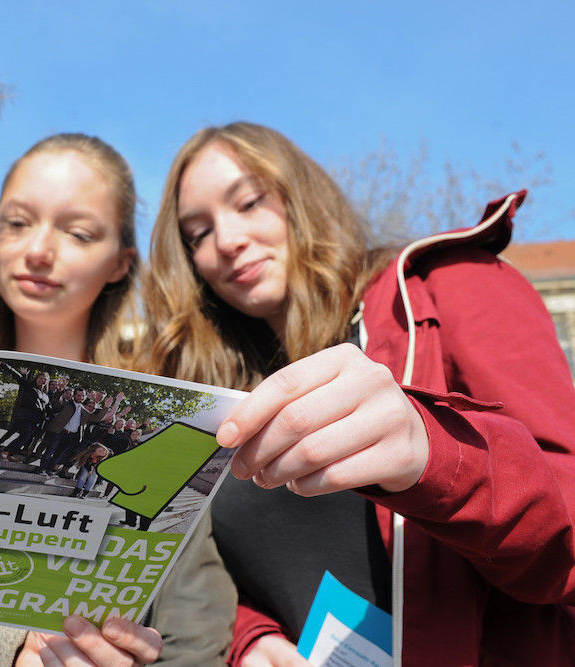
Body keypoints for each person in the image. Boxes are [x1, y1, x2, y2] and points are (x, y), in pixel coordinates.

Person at [139, 121, 575, 665]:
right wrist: (251, 638)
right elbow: (224, 569)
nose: (227, 241)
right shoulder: (220, 391)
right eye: (198, 234)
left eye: (249, 202)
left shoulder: (451, 285)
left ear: (302, 196)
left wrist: (434, 455)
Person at [0, 132, 169, 665]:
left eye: (77, 232)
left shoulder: (166, 394)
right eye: (17, 222)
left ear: (120, 263)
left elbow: (196, 617)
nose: (37, 251)